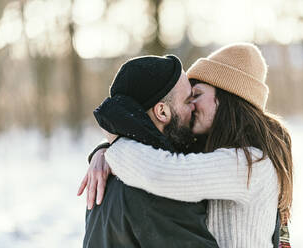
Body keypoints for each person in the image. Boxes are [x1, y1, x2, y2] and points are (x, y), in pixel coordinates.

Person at [84, 43, 293, 248]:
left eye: (197, 95)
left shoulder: (251, 163)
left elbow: (164, 172)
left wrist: (115, 142)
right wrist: (103, 150)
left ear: (227, 100)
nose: (191, 105)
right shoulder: (210, 151)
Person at [78, 54, 220, 248]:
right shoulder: (157, 187)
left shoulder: (112, 172)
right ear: (162, 112)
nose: (194, 107)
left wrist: (105, 149)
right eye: (188, 101)